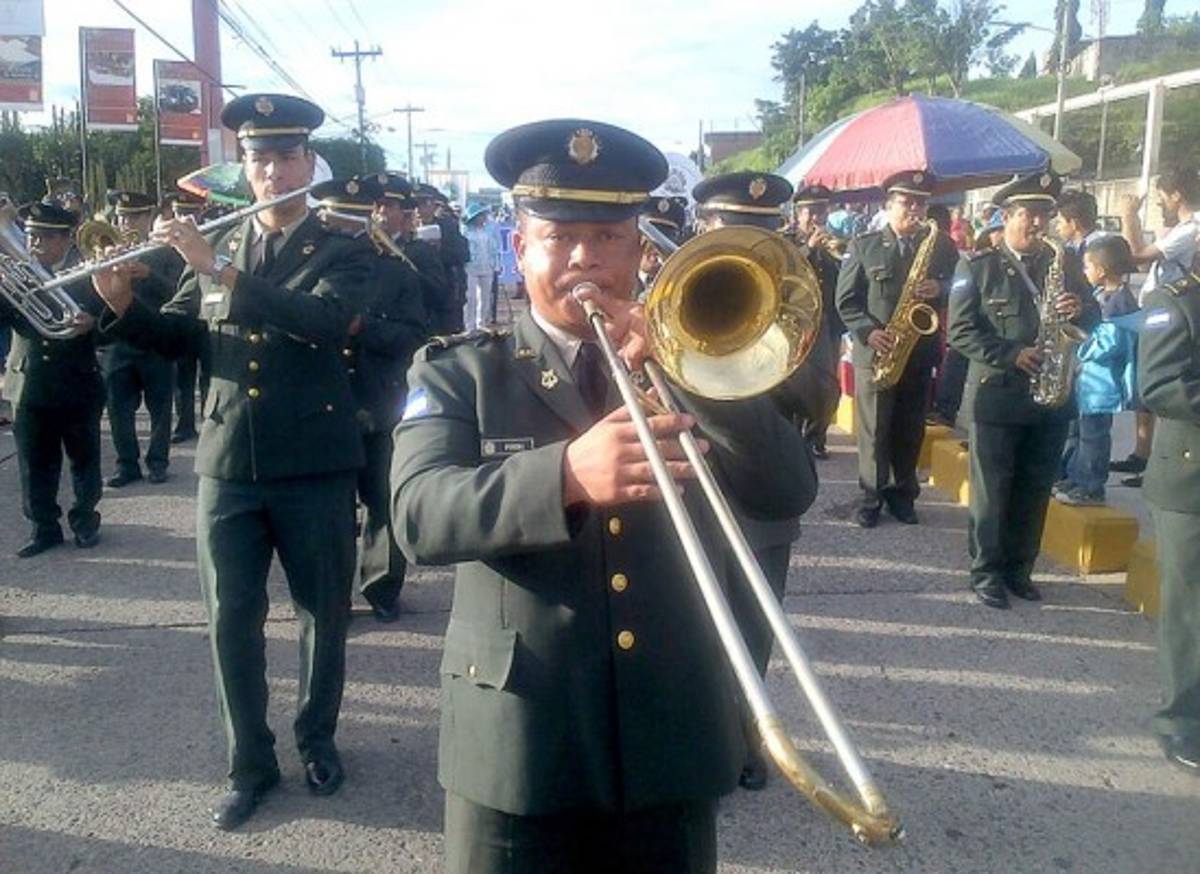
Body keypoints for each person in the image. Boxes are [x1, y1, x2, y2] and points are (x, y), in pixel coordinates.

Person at [391, 119, 816, 873]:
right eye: (559, 237)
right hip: (519, 742)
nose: (586, 256)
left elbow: (786, 489)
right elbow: (419, 514)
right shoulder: (459, 374)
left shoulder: (690, 364)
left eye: (610, 236)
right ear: (521, 249)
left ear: (640, 251)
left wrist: (695, 379)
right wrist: (562, 476)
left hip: (670, 732)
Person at [89, 93, 375, 830]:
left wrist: (219, 270)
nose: (273, 171)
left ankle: (317, 738)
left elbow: (319, 322)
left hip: (313, 461)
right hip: (227, 464)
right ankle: (250, 762)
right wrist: (123, 306)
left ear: (308, 163)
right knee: (230, 621)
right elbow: (183, 337)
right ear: (242, 170)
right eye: (258, 159)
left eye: (285, 157)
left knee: (323, 615)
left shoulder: (343, 245)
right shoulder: (223, 247)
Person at [690, 170, 816, 791]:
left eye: (763, 231)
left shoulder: (799, 293)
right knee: (682, 625)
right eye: (732, 228)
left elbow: (819, 396)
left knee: (752, 622)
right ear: (705, 228)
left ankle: (746, 738)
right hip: (684, 484)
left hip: (765, 481)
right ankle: (684, 738)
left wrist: (765, 351)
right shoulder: (663, 286)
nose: (747, 240)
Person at [948, 171, 1097, 609]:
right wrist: (1010, 353)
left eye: (1044, 215)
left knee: (1034, 489)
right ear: (1006, 216)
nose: (1038, 223)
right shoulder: (977, 265)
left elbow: (1093, 319)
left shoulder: (1065, 262)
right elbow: (960, 330)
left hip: (1052, 398)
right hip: (999, 394)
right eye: (1029, 214)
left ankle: (1019, 569)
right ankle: (986, 571)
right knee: (993, 491)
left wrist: (1081, 309)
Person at [315, 174, 427, 622]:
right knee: (331, 510)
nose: (345, 234)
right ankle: (333, 594)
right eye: (336, 224)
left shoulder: (396, 271)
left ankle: (382, 588)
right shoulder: (310, 269)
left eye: (352, 224)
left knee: (382, 501)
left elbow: (415, 335)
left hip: (380, 399)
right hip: (324, 401)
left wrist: (367, 328)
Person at [835, 171, 960, 528]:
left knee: (910, 428)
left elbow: (963, 287)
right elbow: (846, 301)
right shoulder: (864, 244)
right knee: (874, 430)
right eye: (907, 202)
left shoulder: (941, 245)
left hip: (919, 352)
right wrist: (869, 333)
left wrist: (941, 287)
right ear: (888, 205)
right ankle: (871, 496)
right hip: (877, 351)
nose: (915, 210)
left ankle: (904, 495)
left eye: (920, 203)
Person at [2, 201, 104, 557]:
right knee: (34, 464)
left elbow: (114, 318)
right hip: (28, 383)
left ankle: (85, 519)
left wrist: (93, 322)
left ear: (66, 239)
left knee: (84, 459)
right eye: (30, 237)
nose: (35, 245)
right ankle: (43, 527)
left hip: (78, 381)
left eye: (45, 238)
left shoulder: (88, 273)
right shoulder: (13, 274)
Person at [1138, 264, 1200, 775]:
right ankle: (1180, 720)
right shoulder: (1173, 301)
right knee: (1188, 610)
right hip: (1189, 481)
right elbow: (1159, 384)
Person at [1116, 167, 1200, 487]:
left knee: (1165, 389)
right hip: (1166, 312)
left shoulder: (1190, 228)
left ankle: (1159, 459)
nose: (1160, 203)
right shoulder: (1180, 227)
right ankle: (1144, 454)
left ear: (1177, 195)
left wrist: (1128, 216)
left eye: (1163, 196)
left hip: (1175, 318)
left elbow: (1134, 256)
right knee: (1150, 390)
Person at [98, 191, 183, 487]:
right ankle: (127, 465)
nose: (125, 222)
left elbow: (180, 293)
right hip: (118, 345)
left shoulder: (168, 252)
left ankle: (158, 462)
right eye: (121, 216)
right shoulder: (106, 250)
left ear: (148, 217)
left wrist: (148, 274)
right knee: (118, 409)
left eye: (133, 216)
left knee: (160, 407)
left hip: (156, 342)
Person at [1054, 235, 1139, 506]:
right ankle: (1073, 476)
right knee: (1077, 432)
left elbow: (1110, 342)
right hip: (1088, 382)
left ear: (1101, 271)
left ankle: (1091, 486)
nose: (1084, 272)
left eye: (1087, 266)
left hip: (1102, 386)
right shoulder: (1101, 296)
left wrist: (1079, 346)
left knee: (1094, 436)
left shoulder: (1119, 303)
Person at [787, 183, 846, 460]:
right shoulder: (786, 241)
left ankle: (816, 436)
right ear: (798, 213)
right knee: (797, 382)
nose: (816, 218)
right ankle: (796, 435)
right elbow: (785, 271)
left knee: (827, 384)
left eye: (821, 212)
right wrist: (809, 249)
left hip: (827, 322)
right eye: (810, 212)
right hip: (795, 320)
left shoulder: (834, 241)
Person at [374, 172, 452, 336]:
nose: (381, 212)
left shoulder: (420, 250)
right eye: (377, 205)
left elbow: (438, 293)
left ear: (404, 213)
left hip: (406, 333)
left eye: (388, 205)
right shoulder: (363, 248)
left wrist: (404, 269)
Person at [167, 190, 208, 444]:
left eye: (190, 212)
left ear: (201, 212)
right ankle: (184, 425)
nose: (184, 217)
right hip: (181, 319)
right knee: (182, 376)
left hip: (207, 320)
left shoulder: (214, 237)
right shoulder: (164, 244)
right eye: (180, 212)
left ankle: (210, 423)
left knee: (210, 375)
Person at [417, 184, 469, 333]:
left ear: (434, 205)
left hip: (445, 295)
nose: (420, 209)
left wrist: (440, 249)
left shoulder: (448, 226)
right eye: (415, 204)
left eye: (425, 203)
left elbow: (464, 254)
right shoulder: (407, 228)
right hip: (417, 296)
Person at [462, 202, 499, 330]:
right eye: (480, 215)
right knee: (470, 297)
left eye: (484, 215)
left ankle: (482, 323)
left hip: (487, 267)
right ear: (474, 217)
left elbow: (494, 249)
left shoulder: (488, 231)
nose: (483, 218)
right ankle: (469, 326)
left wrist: (496, 264)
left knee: (485, 297)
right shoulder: (465, 231)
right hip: (470, 267)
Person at [1056, 189, 1106, 256]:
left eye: (1060, 222)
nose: (1057, 228)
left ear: (1074, 224)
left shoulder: (1099, 251)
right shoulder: (1070, 247)